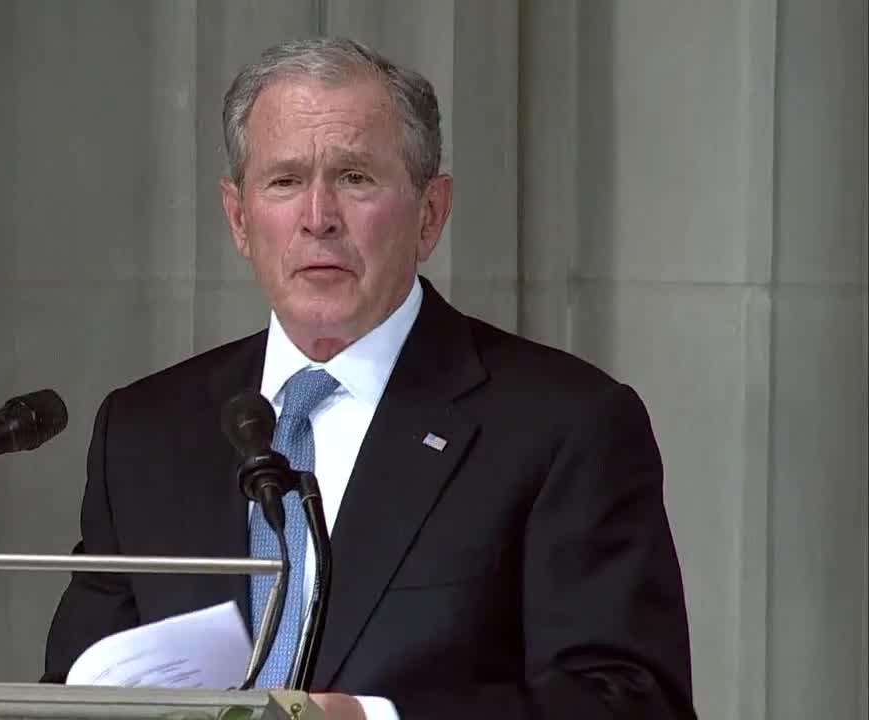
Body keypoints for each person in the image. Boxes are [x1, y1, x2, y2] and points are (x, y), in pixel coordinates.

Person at [42, 37, 695, 719]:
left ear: (430, 214)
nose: (317, 218)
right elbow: (69, 691)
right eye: (284, 181)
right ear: (239, 218)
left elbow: (632, 703)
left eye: (354, 178)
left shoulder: (563, 425)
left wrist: (374, 719)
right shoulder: (145, 432)